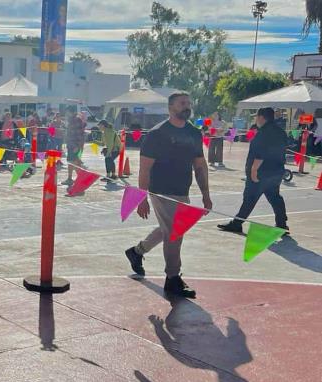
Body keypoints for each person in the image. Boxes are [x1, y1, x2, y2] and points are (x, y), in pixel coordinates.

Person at [124, 92, 212, 298]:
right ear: (170, 107)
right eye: (182, 103)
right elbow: (145, 169)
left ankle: (137, 252)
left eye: (188, 102)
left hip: (182, 190)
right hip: (161, 190)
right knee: (175, 232)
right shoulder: (157, 134)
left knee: (169, 229)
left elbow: (200, 165)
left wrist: (206, 194)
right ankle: (172, 278)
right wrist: (141, 197)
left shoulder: (194, 133)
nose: (187, 106)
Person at [217, 107, 289, 235]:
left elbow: (260, 154)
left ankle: (237, 223)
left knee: (249, 198)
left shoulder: (263, 133)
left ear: (262, 117)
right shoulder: (281, 132)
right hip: (276, 171)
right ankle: (282, 224)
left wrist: (254, 170)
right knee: (275, 198)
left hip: (262, 172)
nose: (256, 119)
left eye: (256, 117)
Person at [63, 110, 85, 185]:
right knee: (70, 162)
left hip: (75, 145)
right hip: (70, 145)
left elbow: (80, 134)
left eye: (67, 112)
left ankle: (81, 179)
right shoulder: (70, 120)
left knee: (75, 162)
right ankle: (70, 178)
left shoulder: (76, 120)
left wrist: (78, 146)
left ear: (71, 112)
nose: (66, 113)